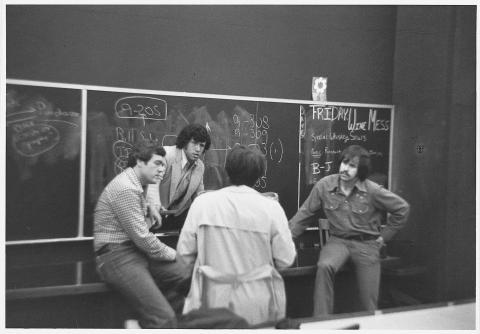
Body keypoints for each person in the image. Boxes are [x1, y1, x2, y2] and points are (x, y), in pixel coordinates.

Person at [176, 145, 297, 325]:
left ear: (227, 170)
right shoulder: (271, 208)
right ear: (259, 175)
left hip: (210, 300)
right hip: (257, 302)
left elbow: (184, 255)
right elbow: (286, 259)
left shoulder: (202, 204)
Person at [289, 144, 410, 316]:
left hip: (367, 245)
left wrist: (384, 237)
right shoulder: (324, 185)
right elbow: (304, 215)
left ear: (360, 170)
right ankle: (321, 322)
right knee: (324, 266)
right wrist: (285, 239)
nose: (345, 169)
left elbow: (402, 208)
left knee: (368, 301)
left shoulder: (372, 190)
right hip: (338, 241)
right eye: (344, 163)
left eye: (352, 166)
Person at [93, 139, 190, 328]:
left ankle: (147, 318)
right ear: (139, 161)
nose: (162, 170)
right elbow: (143, 239)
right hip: (116, 256)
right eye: (158, 164)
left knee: (184, 273)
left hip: (132, 250)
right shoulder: (126, 188)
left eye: (164, 165)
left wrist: (149, 206)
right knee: (165, 318)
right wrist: (172, 253)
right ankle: (155, 319)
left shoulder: (135, 182)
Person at [151, 123, 211, 231]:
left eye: (201, 145)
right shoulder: (167, 155)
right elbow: (152, 182)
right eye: (194, 143)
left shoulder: (200, 166)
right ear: (185, 142)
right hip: (152, 214)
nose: (198, 149)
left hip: (176, 218)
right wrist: (155, 204)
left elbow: (199, 196)